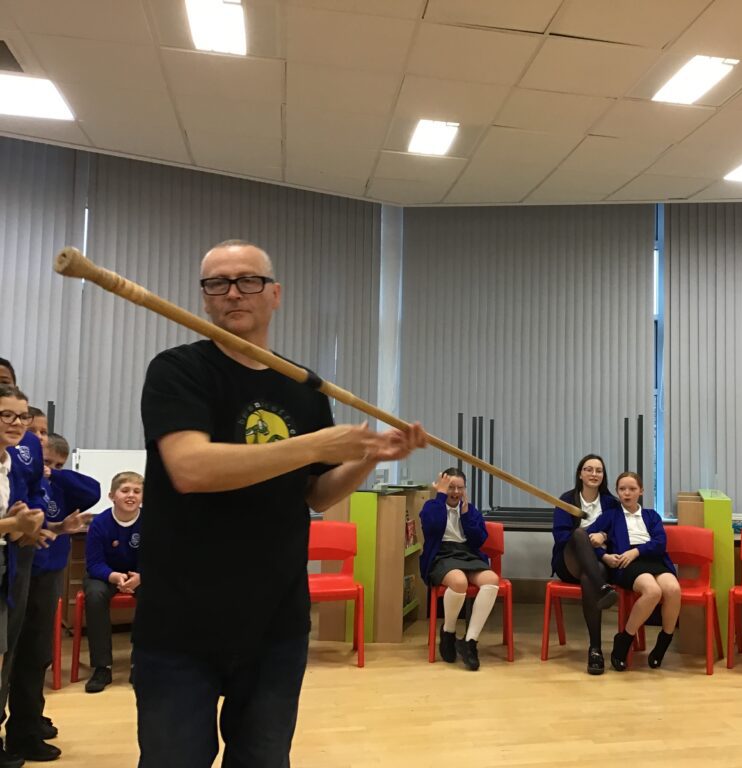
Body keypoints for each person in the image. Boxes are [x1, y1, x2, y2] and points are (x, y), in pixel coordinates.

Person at [133, 239, 427, 768]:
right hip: (180, 624)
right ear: (204, 298)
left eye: (248, 280)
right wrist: (313, 445)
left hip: (276, 624)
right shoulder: (177, 370)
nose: (233, 293)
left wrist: (368, 458)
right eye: (217, 283)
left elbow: (316, 494)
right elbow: (191, 469)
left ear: (275, 294)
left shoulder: (303, 388)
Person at [4, 433, 97, 756]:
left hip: (48, 574)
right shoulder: (16, 475)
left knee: (38, 654)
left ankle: (29, 722)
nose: (49, 466)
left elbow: (92, 490)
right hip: (21, 571)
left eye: (57, 463)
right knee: (14, 656)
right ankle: (22, 727)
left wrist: (52, 474)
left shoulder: (52, 482)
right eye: (45, 460)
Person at [590, 472, 680, 672]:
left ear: (641, 491)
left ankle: (664, 641)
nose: (627, 493)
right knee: (653, 591)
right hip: (627, 563)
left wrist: (637, 551)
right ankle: (624, 639)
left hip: (653, 559)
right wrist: (604, 556)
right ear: (617, 492)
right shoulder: (610, 515)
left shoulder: (651, 515)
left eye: (632, 489)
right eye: (622, 489)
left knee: (673, 590)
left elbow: (660, 543)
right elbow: (587, 539)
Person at [0, 385, 46, 768]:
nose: (17, 424)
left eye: (22, 416)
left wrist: (25, 524)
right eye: (7, 415)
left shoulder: (9, 464)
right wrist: (14, 524)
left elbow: (13, 529)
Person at [419, 469, 499, 671]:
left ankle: (470, 641)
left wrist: (465, 516)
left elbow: (479, 539)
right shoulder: (432, 506)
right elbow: (432, 528)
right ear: (442, 488)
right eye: (450, 487)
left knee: (491, 579)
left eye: (460, 488)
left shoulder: (470, 510)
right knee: (459, 581)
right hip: (441, 554)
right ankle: (449, 631)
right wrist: (440, 496)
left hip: (467, 553)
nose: (455, 492)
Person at [550, 454, 620, 674]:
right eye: (588, 469)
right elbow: (561, 537)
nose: (593, 474)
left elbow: (618, 535)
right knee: (579, 534)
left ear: (603, 476)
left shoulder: (611, 503)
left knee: (591, 576)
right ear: (580, 474)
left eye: (598, 470)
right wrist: (591, 538)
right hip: (569, 560)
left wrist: (605, 537)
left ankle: (595, 649)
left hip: (600, 564)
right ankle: (603, 587)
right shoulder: (566, 500)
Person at [82, 471, 143, 694]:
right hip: (105, 574)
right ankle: (102, 667)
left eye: (136, 491)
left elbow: (157, 558)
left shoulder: (151, 522)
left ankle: (139, 664)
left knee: (154, 594)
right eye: (125, 490)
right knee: (95, 595)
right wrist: (115, 577)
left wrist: (141, 576)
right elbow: (94, 563)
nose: (131, 495)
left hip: (139, 575)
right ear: (112, 496)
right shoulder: (100, 523)